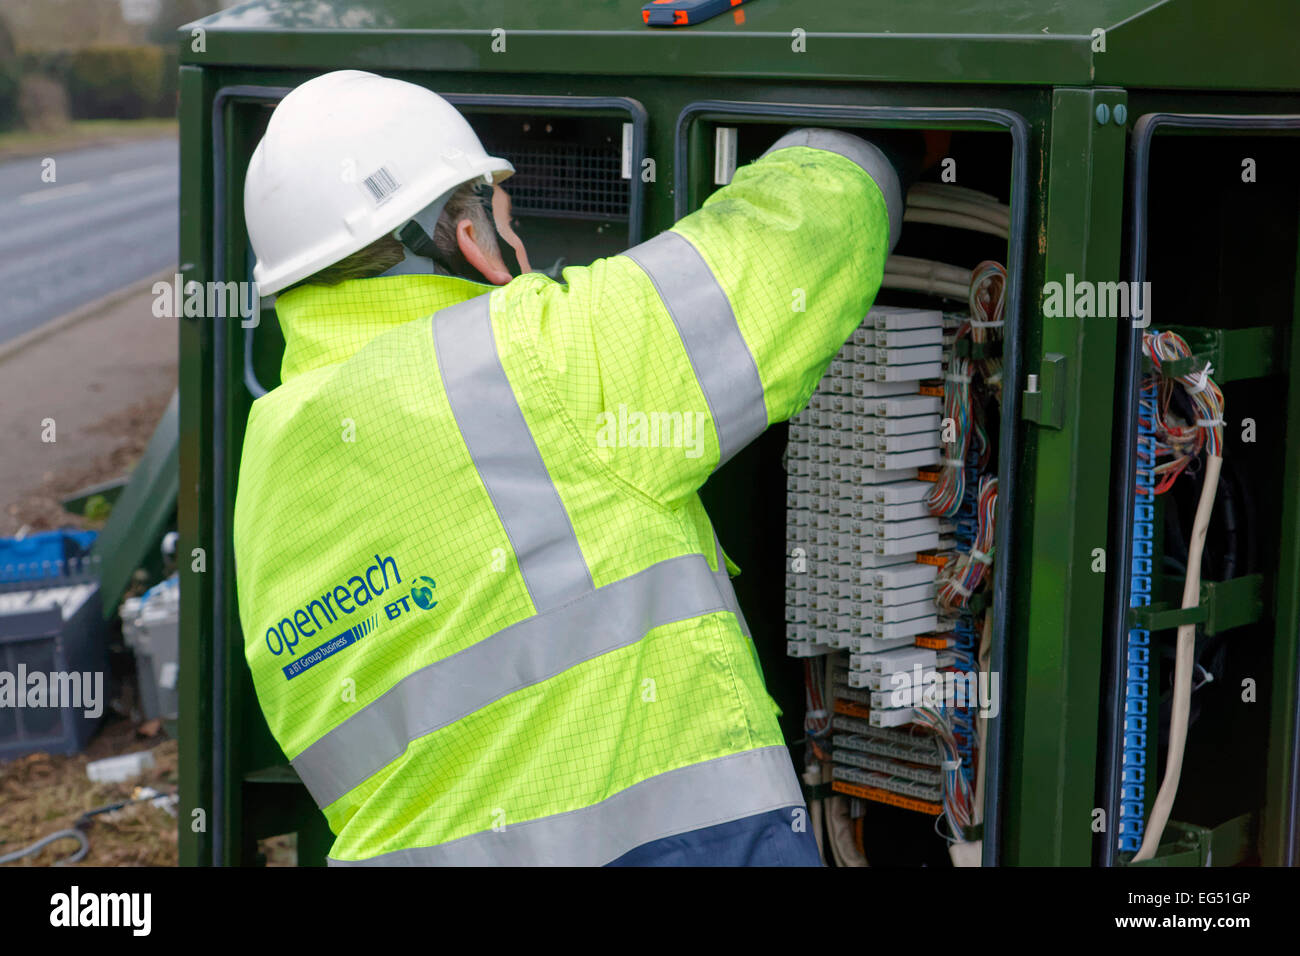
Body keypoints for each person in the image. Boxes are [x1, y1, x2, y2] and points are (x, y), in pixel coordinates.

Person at [233, 69, 901, 866]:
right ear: (474, 239)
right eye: (501, 214)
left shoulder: (264, 465)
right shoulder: (533, 364)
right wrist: (877, 141)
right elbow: (795, 246)